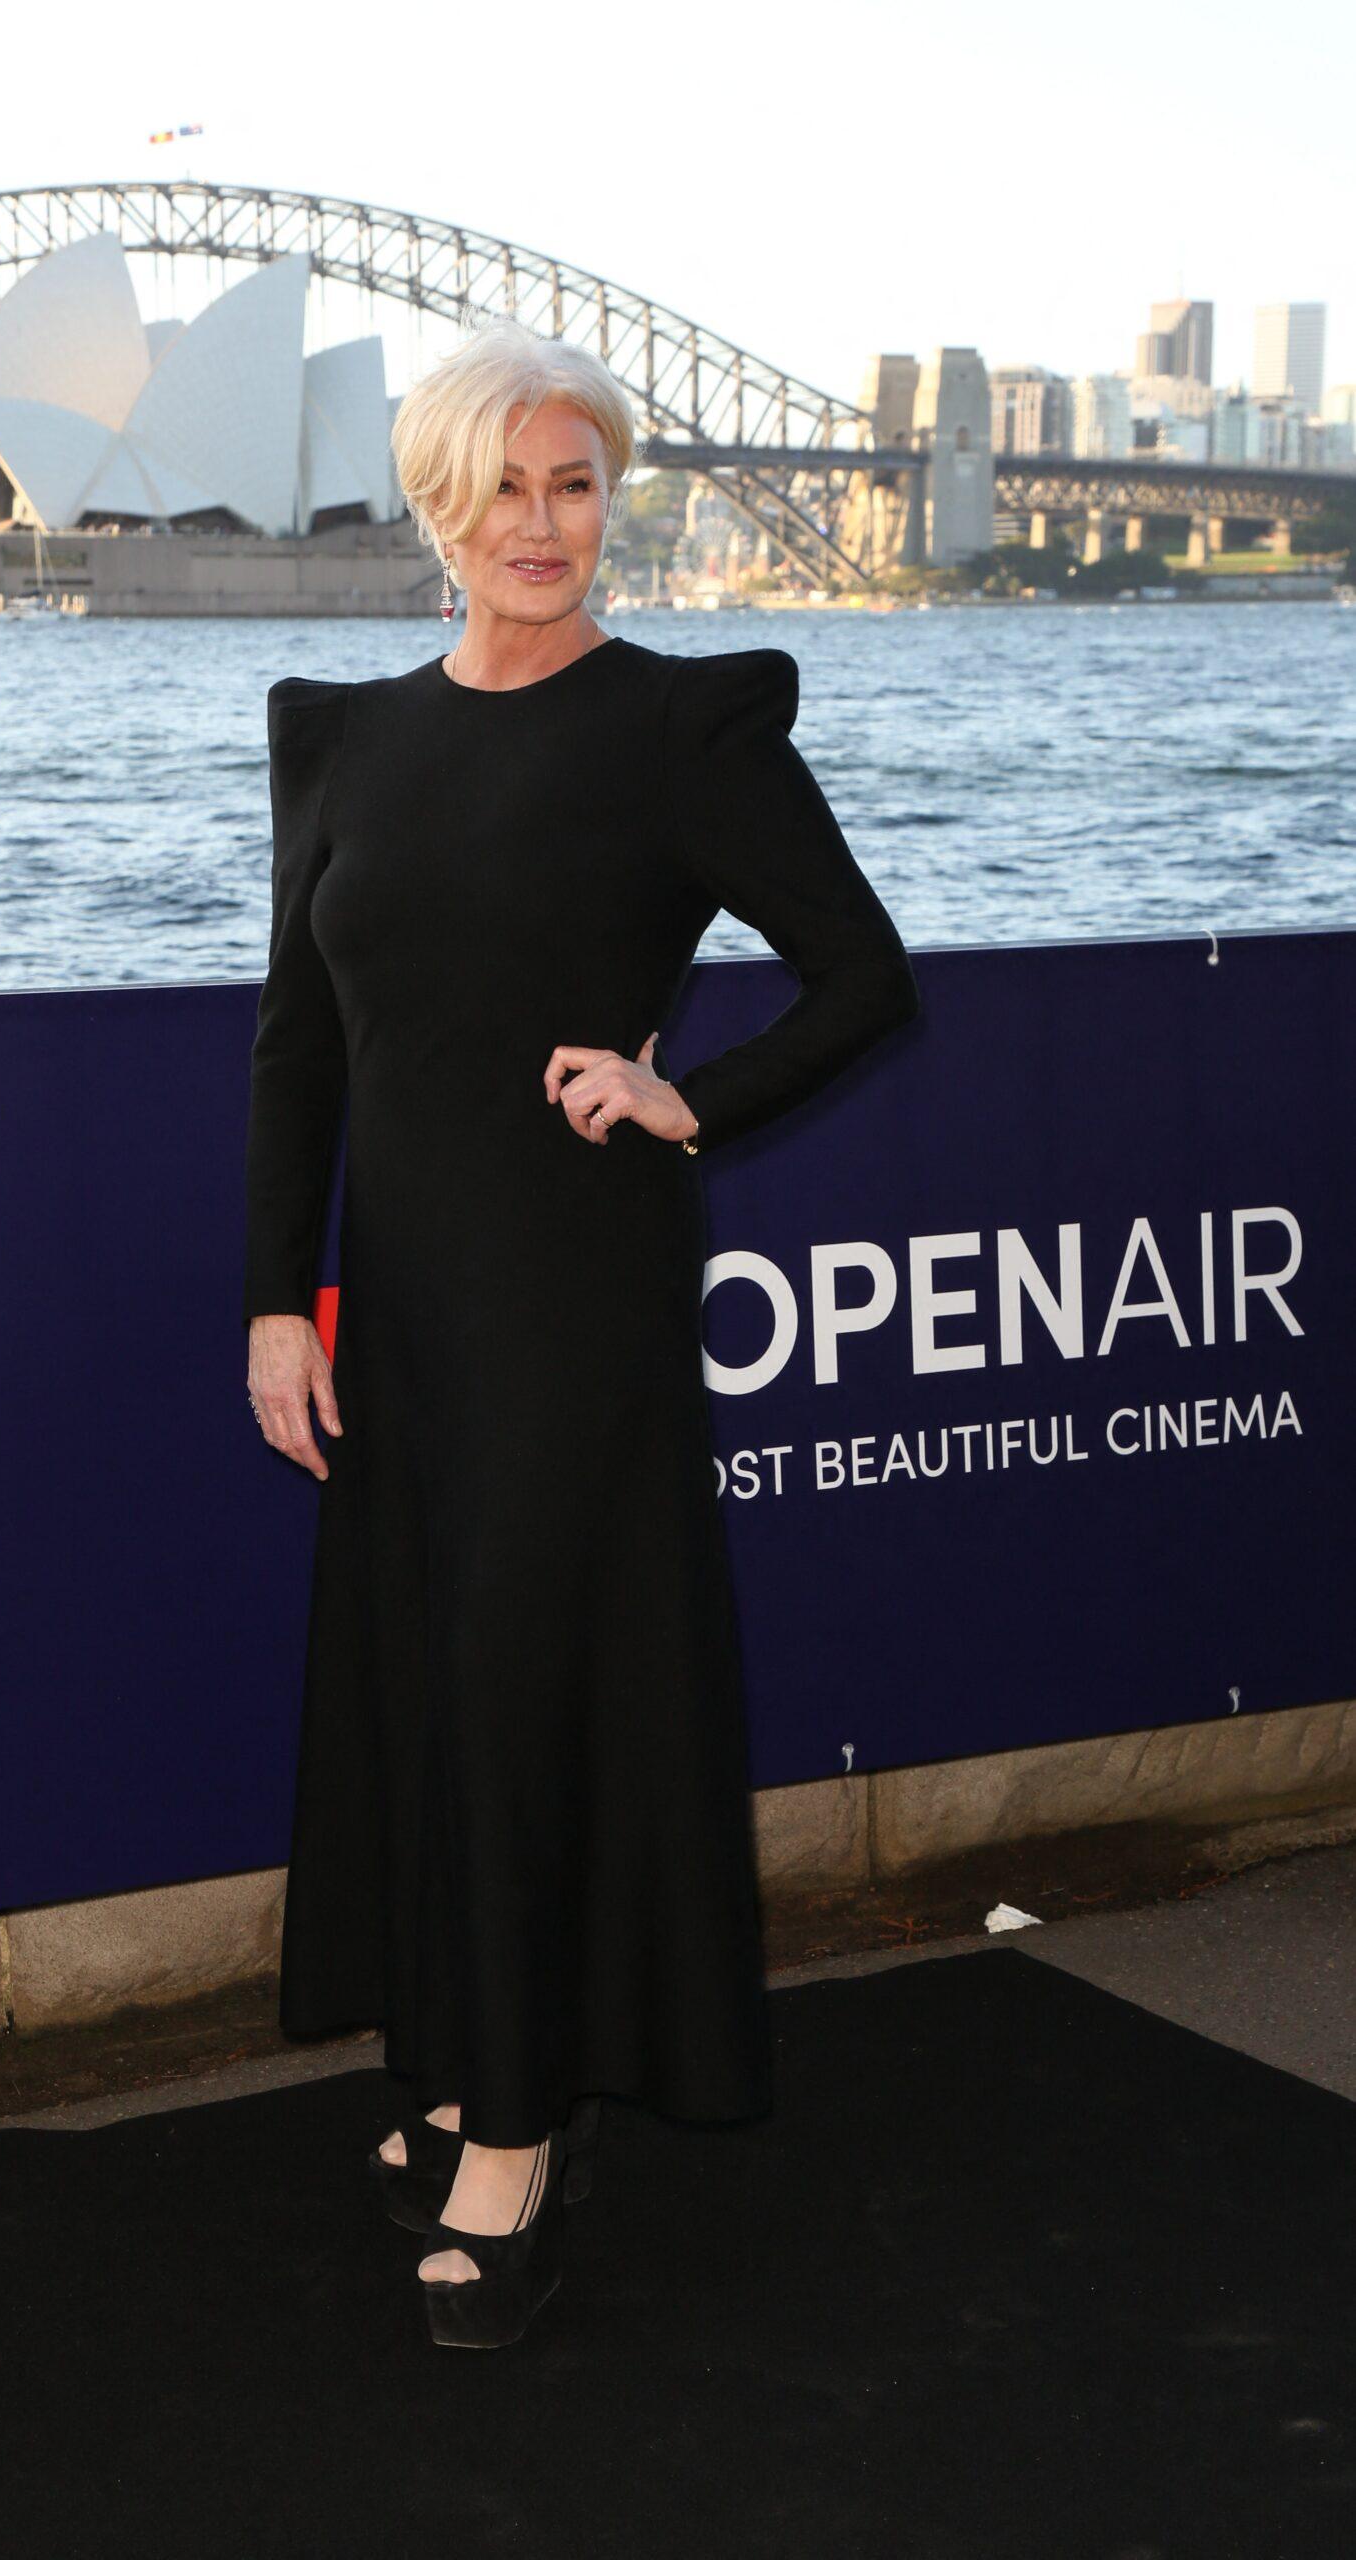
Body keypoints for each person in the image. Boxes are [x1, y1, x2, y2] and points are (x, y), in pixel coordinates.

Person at [243, 315, 920, 2349]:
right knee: (430, 1677)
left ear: (606, 498)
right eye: (500, 488)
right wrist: (278, 1296)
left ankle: (520, 2122)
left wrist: (679, 1091)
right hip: (405, 1295)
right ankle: (464, 2042)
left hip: (569, 1297)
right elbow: (300, 1047)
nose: (540, 525)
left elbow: (860, 976)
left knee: (525, 1673)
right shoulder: (340, 732)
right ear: (434, 503)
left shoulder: (676, 727)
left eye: (574, 484)